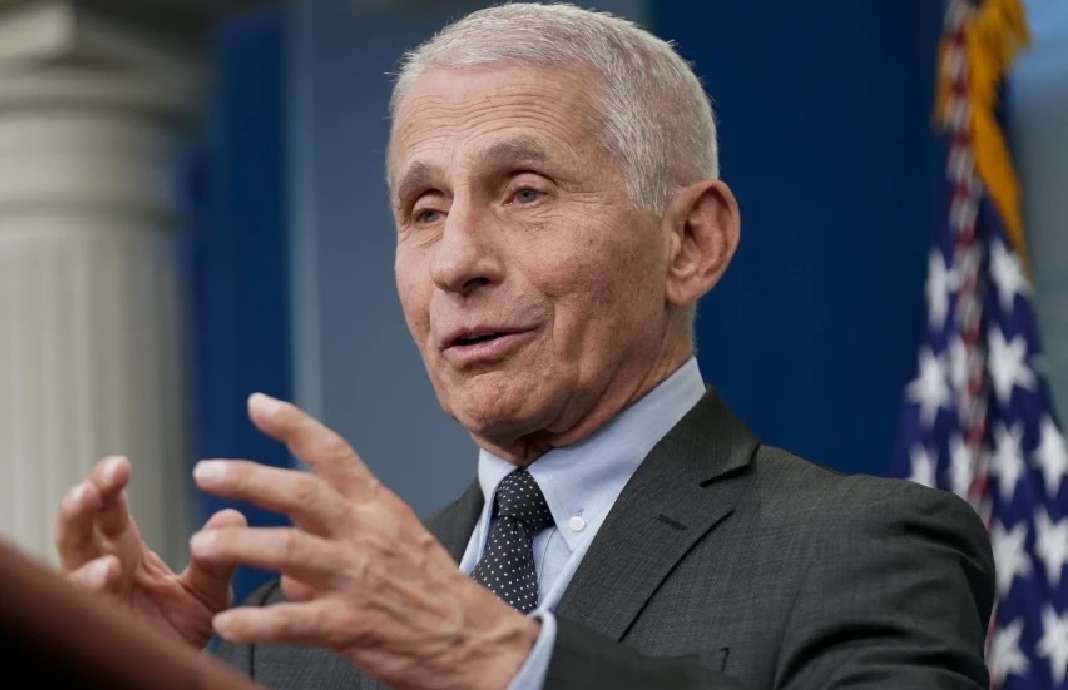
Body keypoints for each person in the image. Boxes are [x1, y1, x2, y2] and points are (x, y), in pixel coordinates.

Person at [54, 4, 994, 689]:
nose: (456, 261)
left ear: (691, 242)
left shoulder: (864, 550)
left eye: (525, 191)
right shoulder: (291, 632)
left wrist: (498, 658)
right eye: (423, 211)